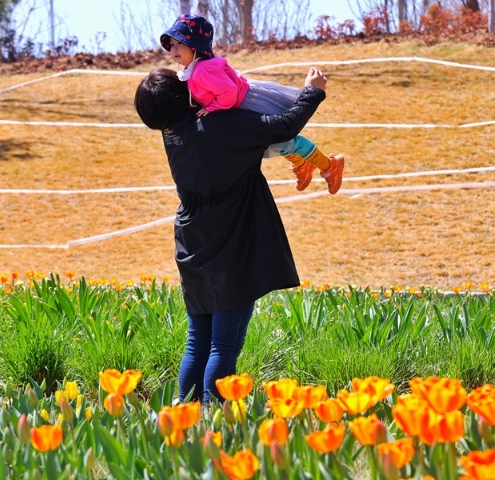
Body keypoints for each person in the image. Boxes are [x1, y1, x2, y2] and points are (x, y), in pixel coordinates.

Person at [134, 65, 330, 403]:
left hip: (192, 241)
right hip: (232, 237)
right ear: (187, 93)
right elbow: (283, 127)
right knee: (223, 345)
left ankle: (188, 416)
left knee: (198, 341)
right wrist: (312, 91)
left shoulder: (173, 135)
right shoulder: (221, 125)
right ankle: (215, 422)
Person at [160, 13, 344, 194]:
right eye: (172, 44)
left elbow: (229, 92)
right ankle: (302, 163)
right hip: (238, 107)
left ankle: (330, 165)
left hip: (246, 105)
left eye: (180, 44)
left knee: (282, 138)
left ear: (195, 46)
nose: (174, 49)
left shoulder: (202, 71)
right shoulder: (195, 68)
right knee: (272, 143)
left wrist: (212, 108)